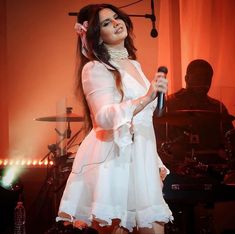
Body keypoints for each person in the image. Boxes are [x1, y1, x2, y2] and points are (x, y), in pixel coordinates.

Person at [56, 3, 173, 234]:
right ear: (97, 36)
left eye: (116, 17)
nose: (116, 23)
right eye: (106, 23)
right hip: (114, 161)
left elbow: (143, 122)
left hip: (141, 160)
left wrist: (154, 161)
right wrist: (147, 96)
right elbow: (103, 117)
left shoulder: (135, 65)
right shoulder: (95, 68)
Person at [154, 59, 234, 173]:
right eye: (199, 78)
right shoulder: (168, 104)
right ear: (187, 79)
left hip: (211, 170)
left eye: (207, 79)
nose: (203, 83)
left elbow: (229, 141)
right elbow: (157, 140)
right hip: (176, 167)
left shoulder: (218, 107)